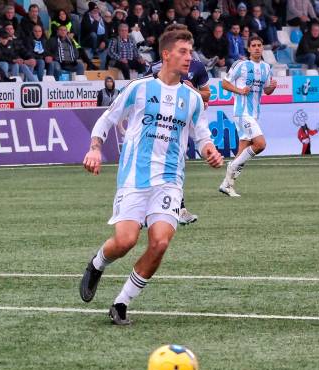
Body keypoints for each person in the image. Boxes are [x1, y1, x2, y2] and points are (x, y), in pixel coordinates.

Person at [79, 28, 224, 325]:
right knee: (125, 241)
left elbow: (202, 135)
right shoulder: (140, 88)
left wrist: (210, 150)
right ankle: (97, 264)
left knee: (159, 243)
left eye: (191, 52)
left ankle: (121, 303)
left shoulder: (192, 98)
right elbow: (108, 119)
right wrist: (94, 148)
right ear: (166, 55)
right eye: (183, 52)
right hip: (135, 177)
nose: (189, 58)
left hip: (170, 181)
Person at [146, 23, 213, 225]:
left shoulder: (197, 66)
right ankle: (147, 210)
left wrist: (192, 91)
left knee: (177, 162)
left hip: (181, 122)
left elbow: (207, 95)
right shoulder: (155, 68)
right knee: (151, 164)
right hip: (159, 122)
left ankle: (179, 208)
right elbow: (147, 94)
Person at [219, 35, 277, 197]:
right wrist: (239, 91)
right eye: (254, 45)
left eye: (260, 45)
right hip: (242, 112)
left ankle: (227, 185)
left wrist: (272, 87)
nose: (257, 48)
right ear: (249, 48)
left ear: (262, 47)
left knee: (243, 150)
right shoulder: (241, 64)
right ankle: (231, 166)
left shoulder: (266, 67)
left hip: (254, 114)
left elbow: (266, 91)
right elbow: (224, 83)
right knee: (260, 144)